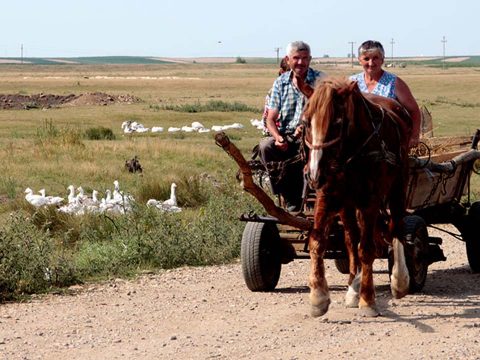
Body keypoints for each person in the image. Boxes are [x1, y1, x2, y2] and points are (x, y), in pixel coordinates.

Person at [258, 41, 325, 211]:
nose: (300, 62)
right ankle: (287, 197)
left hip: (314, 135)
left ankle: (313, 199)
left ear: (310, 59)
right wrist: (278, 138)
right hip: (287, 135)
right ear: (288, 60)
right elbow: (270, 119)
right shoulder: (280, 82)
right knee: (265, 146)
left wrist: (306, 126)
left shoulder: (321, 80)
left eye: (304, 58)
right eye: (296, 58)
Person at [350, 40, 421, 148]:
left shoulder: (394, 82)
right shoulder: (352, 83)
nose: (371, 63)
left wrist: (414, 136)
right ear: (359, 60)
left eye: (375, 58)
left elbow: (414, 110)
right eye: (366, 59)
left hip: (388, 146)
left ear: (382, 60)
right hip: (358, 145)